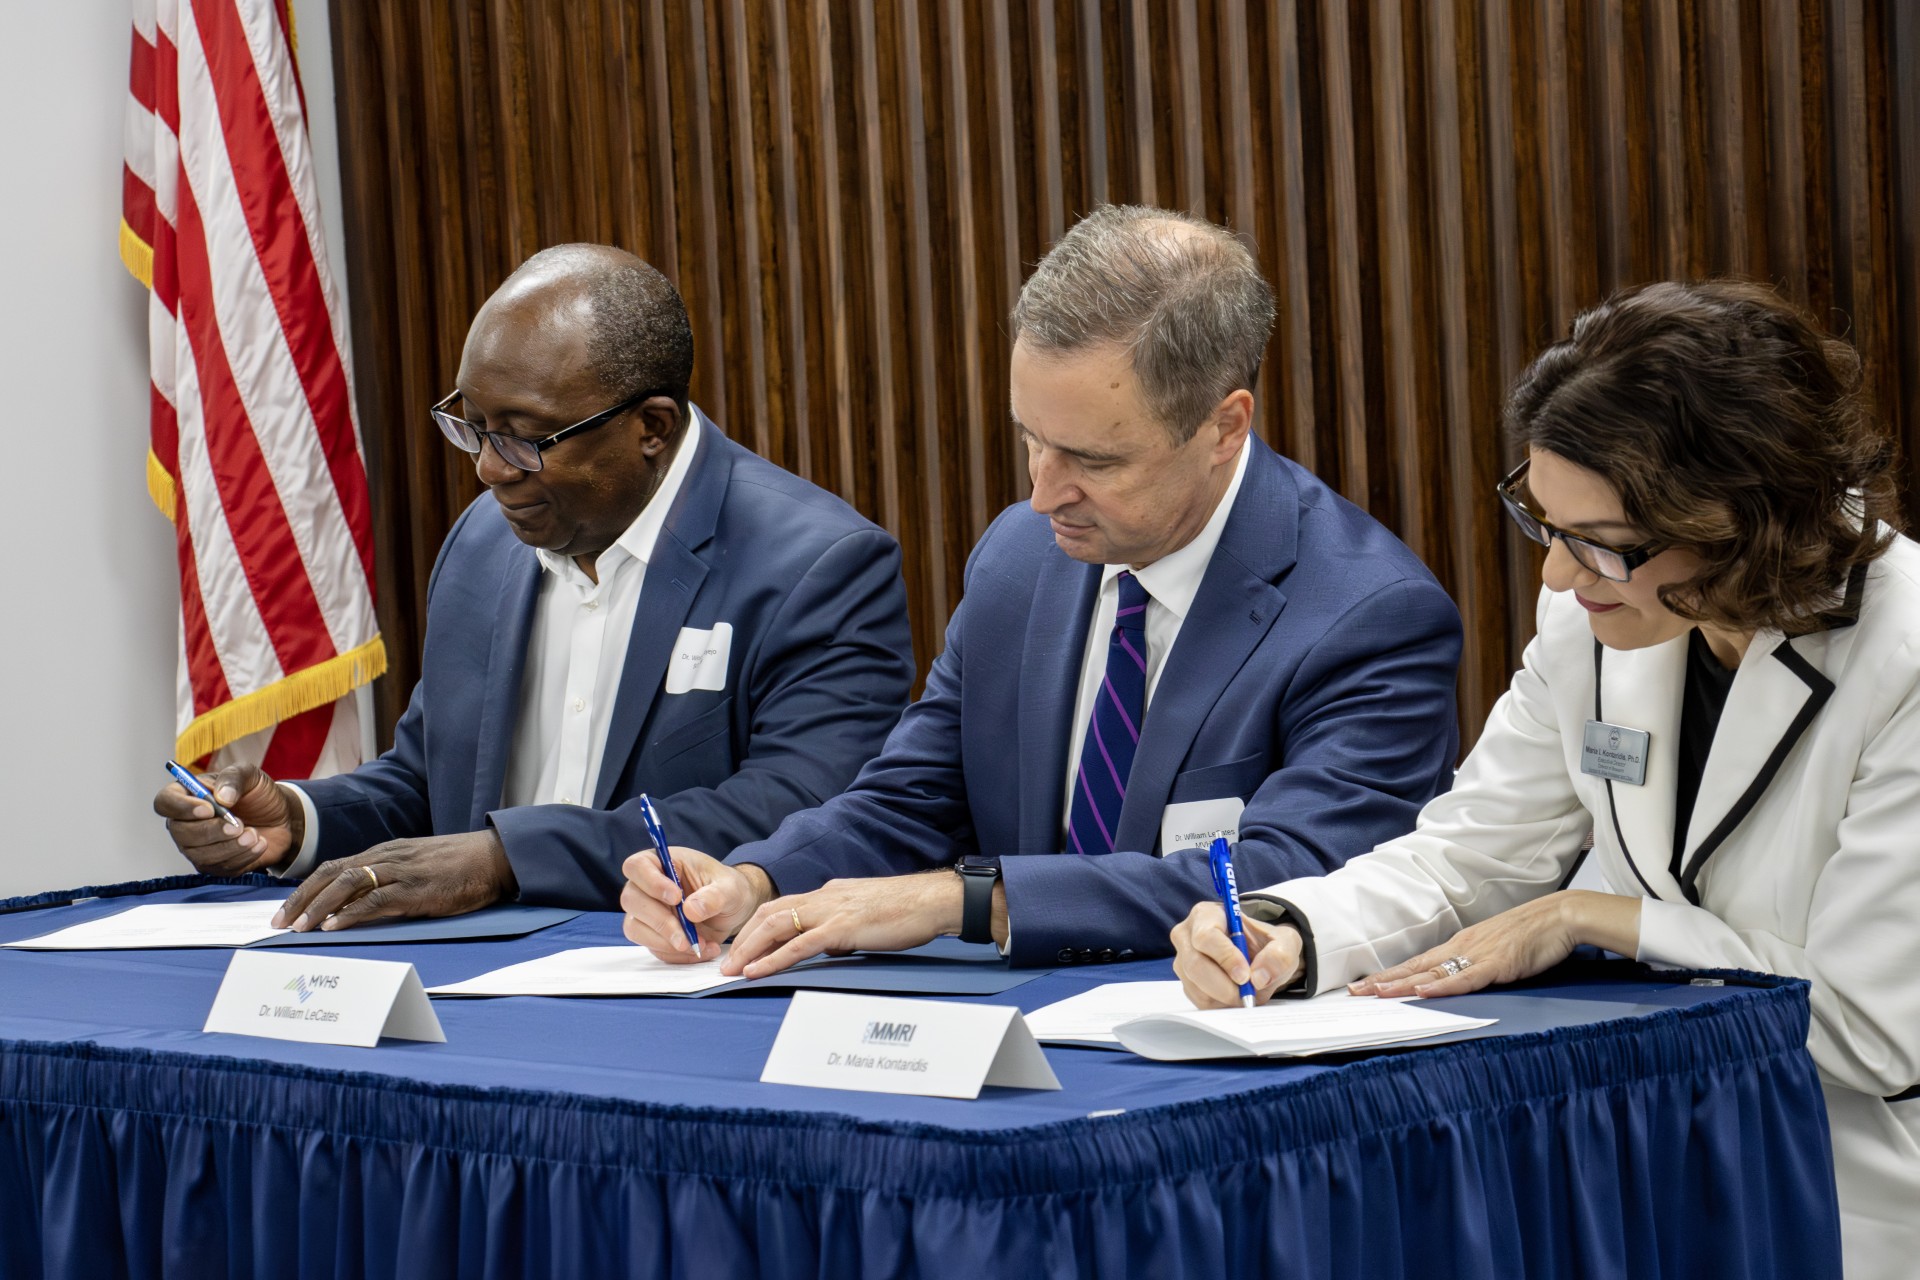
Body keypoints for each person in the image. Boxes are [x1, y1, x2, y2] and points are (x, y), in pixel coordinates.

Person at [1169, 279, 1919, 1278]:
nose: (1559, 580)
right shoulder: (1594, 619)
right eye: (1544, 524)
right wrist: (1291, 930)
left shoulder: (1905, 657)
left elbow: (1871, 1032)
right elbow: (1469, 853)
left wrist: (1598, 917)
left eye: (1602, 547)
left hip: (1849, 1200)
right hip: (1625, 1180)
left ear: (1745, 516)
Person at [620, 205, 1463, 974]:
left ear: (1224, 425)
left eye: (1094, 461)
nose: (1041, 493)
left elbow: (1287, 876)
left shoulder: (1369, 615)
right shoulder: (1022, 556)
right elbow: (915, 791)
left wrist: (968, 899)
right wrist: (756, 879)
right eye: (1032, 439)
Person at [153, 244, 915, 931]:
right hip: (469, 981)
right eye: (471, 425)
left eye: (522, 435)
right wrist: (297, 818)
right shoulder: (483, 545)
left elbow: (799, 810)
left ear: (651, 427)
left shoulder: (819, 565)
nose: (488, 468)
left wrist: (507, 857)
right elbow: (431, 777)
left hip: (679, 976)